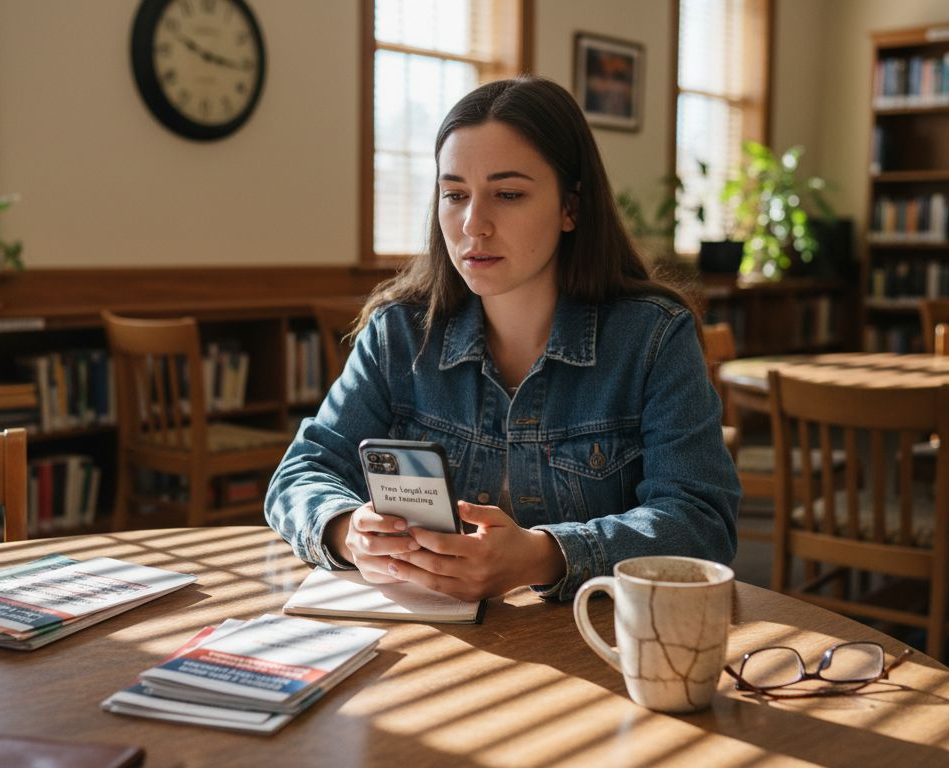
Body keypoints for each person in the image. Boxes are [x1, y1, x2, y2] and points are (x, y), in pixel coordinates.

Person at [265, 75, 739, 602]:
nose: (473, 224)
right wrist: (346, 530)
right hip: (432, 647)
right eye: (454, 194)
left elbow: (701, 524)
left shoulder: (652, 337)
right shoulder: (398, 333)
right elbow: (301, 473)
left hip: (596, 649)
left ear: (571, 208)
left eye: (508, 194)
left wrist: (543, 556)